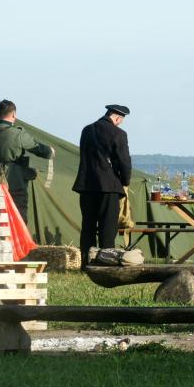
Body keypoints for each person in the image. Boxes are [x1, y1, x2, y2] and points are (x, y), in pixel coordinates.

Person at [72, 104, 132, 267]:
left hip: (87, 185)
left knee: (88, 226)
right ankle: (105, 263)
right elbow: (124, 162)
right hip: (108, 186)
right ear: (118, 118)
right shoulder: (119, 133)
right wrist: (125, 181)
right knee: (107, 227)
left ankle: (86, 263)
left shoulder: (87, 130)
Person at [0, 99, 54, 225]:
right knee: (19, 213)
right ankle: (18, 244)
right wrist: (50, 151)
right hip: (14, 179)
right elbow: (38, 149)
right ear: (13, 114)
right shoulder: (18, 133)